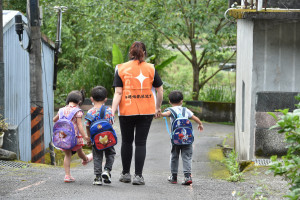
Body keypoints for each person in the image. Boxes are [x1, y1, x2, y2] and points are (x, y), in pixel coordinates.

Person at [111, 41, 163, 185]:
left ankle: (125, 174)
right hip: (146, 110)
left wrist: (112, 111)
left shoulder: (121, 68)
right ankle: (138, 176)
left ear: (130, 53)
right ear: (144, 53)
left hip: (126, 110)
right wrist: (157, 107)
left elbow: (118, 92)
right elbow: (160, 90)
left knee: (127, 141)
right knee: (141, 143)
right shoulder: (151, 68)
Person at [161, 90, 204, 185]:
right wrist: (200, 124)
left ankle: (174, 177)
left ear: (169, 102)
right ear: (182, 101)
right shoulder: (186, 110)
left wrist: (158, 113)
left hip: (175, 140)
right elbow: (195, 118)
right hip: (187, 139)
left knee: (174, 156)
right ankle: (187, 177)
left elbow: (165, 114)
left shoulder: (170, 110)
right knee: (187, 157)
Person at [53, 90, 93, 183]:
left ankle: (67, 176)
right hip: (75, 138)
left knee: (67, 155)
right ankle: (86, 159)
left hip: (64, 138)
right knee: (80, 152)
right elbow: (79, 125)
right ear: (79, 102)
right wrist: (85, 137)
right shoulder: (78, 111)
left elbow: (55, 120)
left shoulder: (61, 110)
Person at [85, 86, 116, 185]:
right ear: (106, 99)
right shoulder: (109, 110)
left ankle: (98, 178)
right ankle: (107, 170)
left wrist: (90, 139)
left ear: (91, 99)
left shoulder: (90, 112)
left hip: (96, 140)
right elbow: (111, 123)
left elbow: (87, 126)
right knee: (110, 154)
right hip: (108, 139)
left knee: (97, 156)